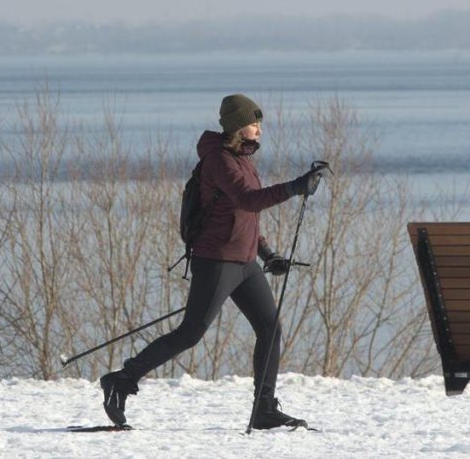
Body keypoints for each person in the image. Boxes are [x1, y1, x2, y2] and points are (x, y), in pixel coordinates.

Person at [99, 94, 329, 429]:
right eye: (253, 123)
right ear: (237, 126)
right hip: (217, 260)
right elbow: (248, 200)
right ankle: (121, 380)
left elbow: (243, 218)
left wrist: (268, 254)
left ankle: (264, 408)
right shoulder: (220, 160)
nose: (259, 129)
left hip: (245, 263)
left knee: (270, 327)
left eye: (259, 124)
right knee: (191, 333)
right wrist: (295, 187)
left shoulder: (242, 159)